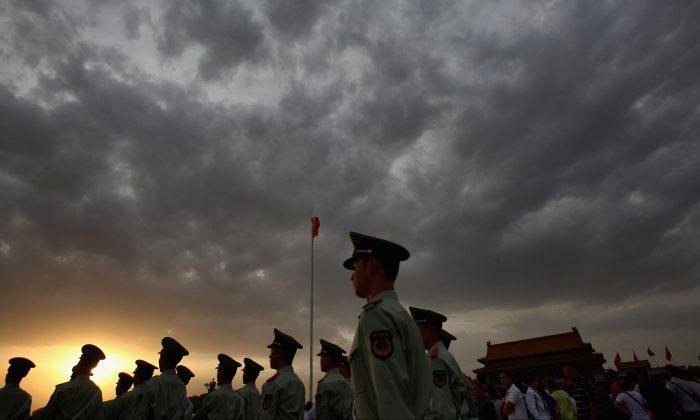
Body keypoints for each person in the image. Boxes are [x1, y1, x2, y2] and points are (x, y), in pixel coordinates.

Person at [344, 231, 431, 419]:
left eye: (355, 266)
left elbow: (391, 402)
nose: (351, 277)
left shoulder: (377, 316)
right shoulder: (398, 314)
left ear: (372, 266)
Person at [409, 306, 467, 420]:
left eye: (417, 329)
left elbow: (441, 409)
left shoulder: (436, 359)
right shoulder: (442, 355)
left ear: (429, 330)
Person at [128, 336, 190, 420]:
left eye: (160, 356)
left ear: (162, 357)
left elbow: (139, 414)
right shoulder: (182, 387)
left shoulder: (153, 384)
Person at [41, 344, 105, 420]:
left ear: (80, 361)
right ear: (95, 365)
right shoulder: (97, 392)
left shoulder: (64, 388)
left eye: (80, 359)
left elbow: (47, 415)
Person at [260, 328, 305, 420]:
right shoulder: (299, 384)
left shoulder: (273, 384)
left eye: (272, 351)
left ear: (279, 353)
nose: (270, 355)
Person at [194, 354, 244, 419]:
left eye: (218, 371)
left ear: (220, 373)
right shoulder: (239, 399)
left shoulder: (213, 396)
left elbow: (199, 416)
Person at [314, 339, 353, 420]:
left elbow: (321, 415)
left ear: (327, 358)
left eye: (322, 357)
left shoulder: (325, 384)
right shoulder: (346, 383)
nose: (320, 361)